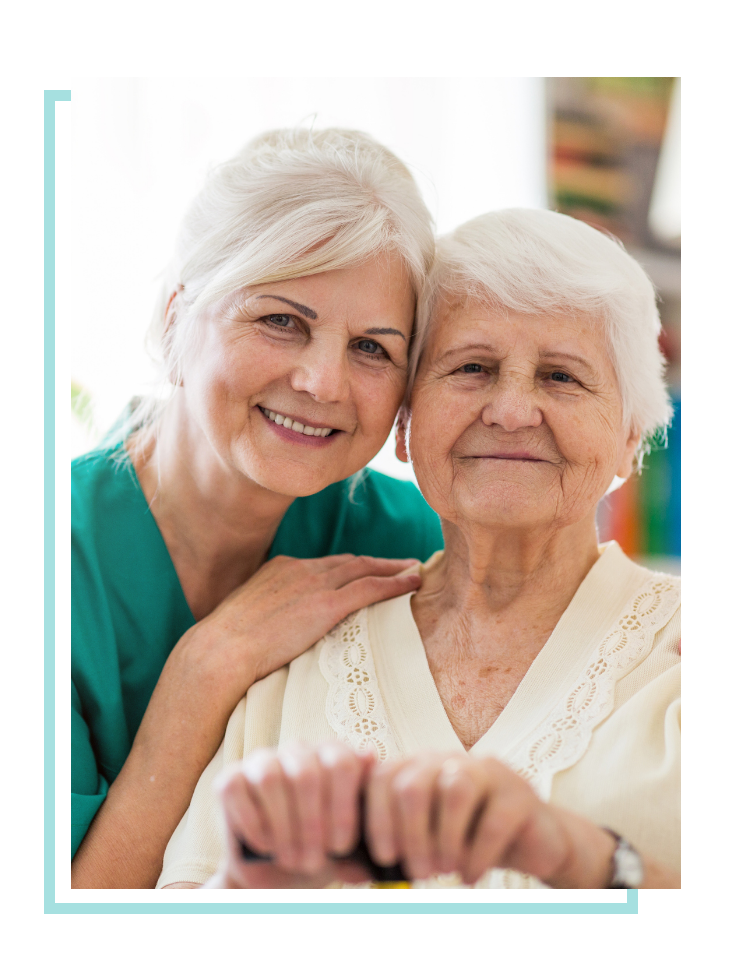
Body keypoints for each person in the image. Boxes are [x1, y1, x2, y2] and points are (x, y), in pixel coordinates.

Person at [157, 209, 680, 890]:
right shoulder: (294, 664)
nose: (511, 410)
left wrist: (587, 861)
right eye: (471, 367)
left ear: (631, 438)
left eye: (560, 377)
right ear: (403, 424)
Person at [71, 128, 444, 889]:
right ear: (177, 319)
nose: (322, 381)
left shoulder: (408, 541)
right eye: (281, 320)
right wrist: (207, 671)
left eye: (372, 348)